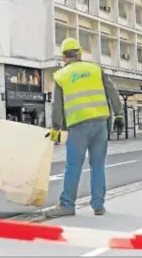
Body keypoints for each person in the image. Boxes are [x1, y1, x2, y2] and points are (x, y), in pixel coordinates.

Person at [45, 38, 124, 218]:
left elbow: (56, 106)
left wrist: (56, 129)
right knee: (98, 166)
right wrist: (119, 114)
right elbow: (112, 91)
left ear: (64, 57)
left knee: (73, 166)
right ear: (79, 53)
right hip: (100, 124)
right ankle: (98, 205)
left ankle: (67, 205)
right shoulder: (96, 69)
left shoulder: (61, 75)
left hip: (78, 126)